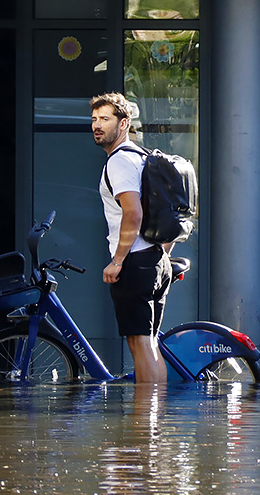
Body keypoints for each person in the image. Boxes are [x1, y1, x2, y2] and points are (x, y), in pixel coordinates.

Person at [90, 92, 173, 383]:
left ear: (123, 123)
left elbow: (133, 214)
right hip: (154, 259)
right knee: (148, 343)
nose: (97, 125)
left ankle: (145, 425)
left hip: (136, 262)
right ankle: (154, 421)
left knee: (140, 344)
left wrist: (118, 261)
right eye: (95, 119)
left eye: (106, 119)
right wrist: (160, 254)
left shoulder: (120, 161)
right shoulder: (142, 157)